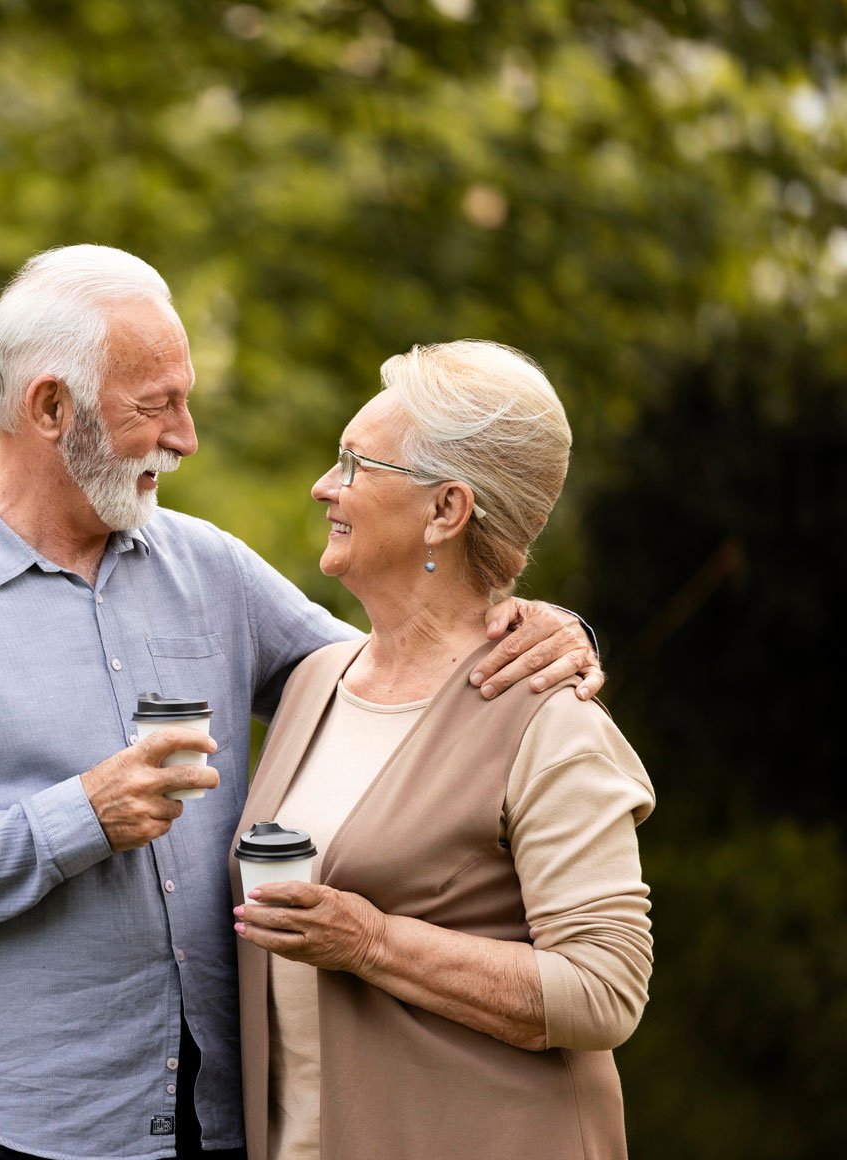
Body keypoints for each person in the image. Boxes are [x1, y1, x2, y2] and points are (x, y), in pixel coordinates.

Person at [0, 247, 603, 1160]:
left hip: (216, 1125)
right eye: (155, 406)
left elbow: (393, 678)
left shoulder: (210, 568)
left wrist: (534, 622)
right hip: (7, 1131)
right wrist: (72, 821)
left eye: (187, 398)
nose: (187, 437)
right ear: (51, 408)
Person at [232, 340, 653, 1160]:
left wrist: (374, 943)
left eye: (356, 463)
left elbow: (605, 990)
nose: (325, 485)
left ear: (446, 511)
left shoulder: (549, 720)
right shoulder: (316, 680)